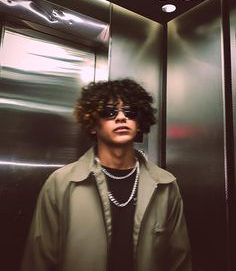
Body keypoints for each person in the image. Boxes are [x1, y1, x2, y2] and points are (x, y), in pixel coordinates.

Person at [21, 78, 192, 271]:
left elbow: (179, 261)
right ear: (93, 125)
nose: (121, 117)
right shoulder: (62, 183)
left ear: (140, 122)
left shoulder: (165, 185)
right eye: (109, 112)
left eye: (130, 112)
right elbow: (39, 260)